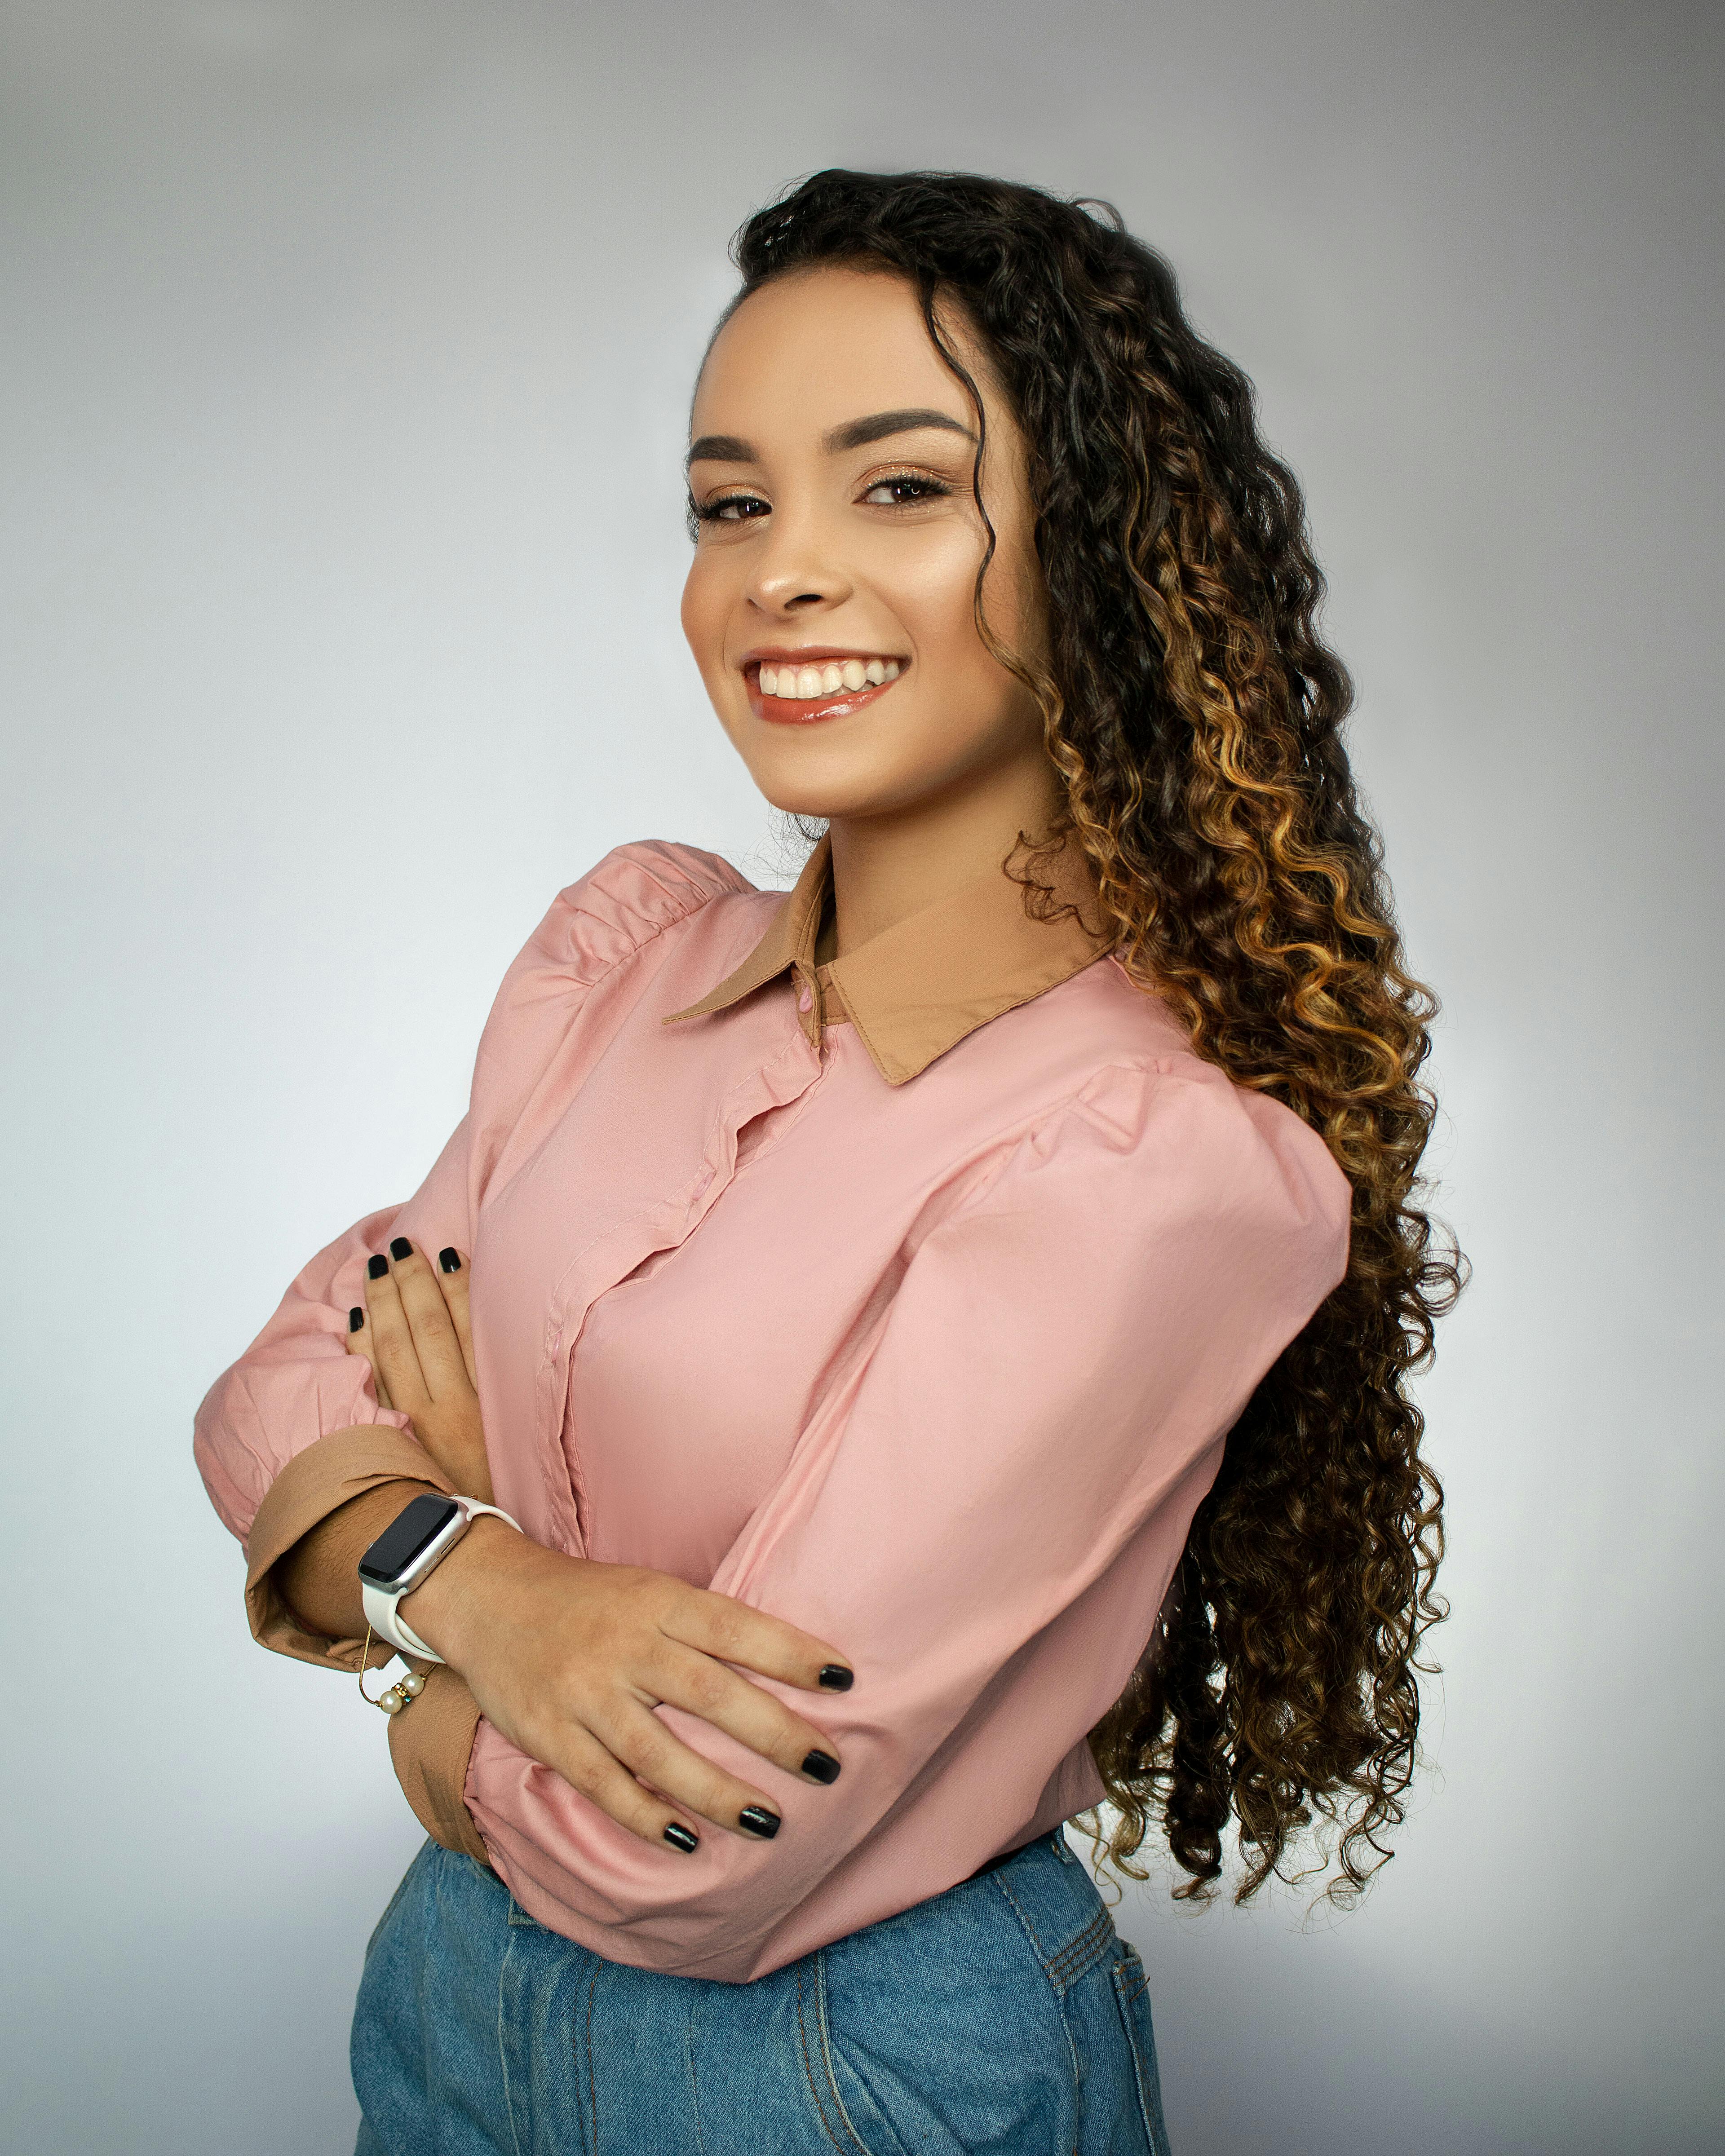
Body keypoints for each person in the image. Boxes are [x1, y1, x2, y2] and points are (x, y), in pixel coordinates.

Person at [194, 168, 1460, 2156]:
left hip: (843, 2066)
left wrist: (424, 1684)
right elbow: (275, 1389)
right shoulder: (625, 959)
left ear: (1100, 554)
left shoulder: (1150, 1163)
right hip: (444, 2001)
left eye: (897, 489)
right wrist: (495, 1588)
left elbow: (698, 1837)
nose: (780, 571)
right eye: (729, 502)